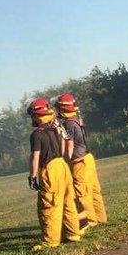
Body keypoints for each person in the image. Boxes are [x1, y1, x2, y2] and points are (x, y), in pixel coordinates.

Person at [26, 99, 81, 250]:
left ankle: (50, 241)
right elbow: (66, 143)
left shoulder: (36, 134)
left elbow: (35, 156)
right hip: (62, 165)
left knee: (49, 205)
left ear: (36, 116)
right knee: (68, 201)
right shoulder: (58, 127)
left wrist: (32, 176)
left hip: (50, 169)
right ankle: (73, 233)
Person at [55, 92, 108, 229]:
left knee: (82, 193)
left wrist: (65, 161)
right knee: (94, 190)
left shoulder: (67, 124)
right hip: (88, 158)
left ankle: (90, 221)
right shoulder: (77, 120)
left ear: (62, 109)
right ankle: (101, 217)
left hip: (79, 162)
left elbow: (69, 145)